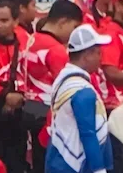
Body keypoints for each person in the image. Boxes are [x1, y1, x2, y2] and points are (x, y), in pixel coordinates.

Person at [46, 24, 114, 173]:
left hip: (59, 163)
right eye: (98, 53)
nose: (100, 58)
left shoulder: (63, 81)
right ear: (87, 55)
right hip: (73, 167)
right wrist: (99, 170)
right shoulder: (81, 90)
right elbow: (88, 133)